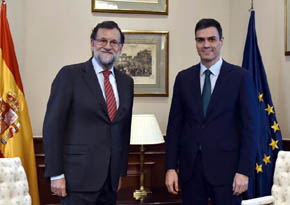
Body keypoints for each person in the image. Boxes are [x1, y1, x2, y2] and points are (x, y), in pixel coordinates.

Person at [165, 18, 258, 205]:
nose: (206, 45)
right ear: (196, 43)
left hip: (229, 173)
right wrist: (170, 168)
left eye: (212, 39)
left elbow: (250, 128)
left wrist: (244, 171)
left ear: (221, 41)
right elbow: (175, 126)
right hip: (191, 171)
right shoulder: (183, 78)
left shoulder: (241, 77)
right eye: (200, 40)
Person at [43, 21, 134, 205]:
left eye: (114, 42)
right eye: (102, 40)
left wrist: (119, 172)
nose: (108, 46)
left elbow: (124, 129)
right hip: (76, 180)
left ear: (120, 48)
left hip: (110, 181)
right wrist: (56, 173)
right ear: (92, 44)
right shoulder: (70, 75)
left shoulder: (126, 83)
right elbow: (53, 127)